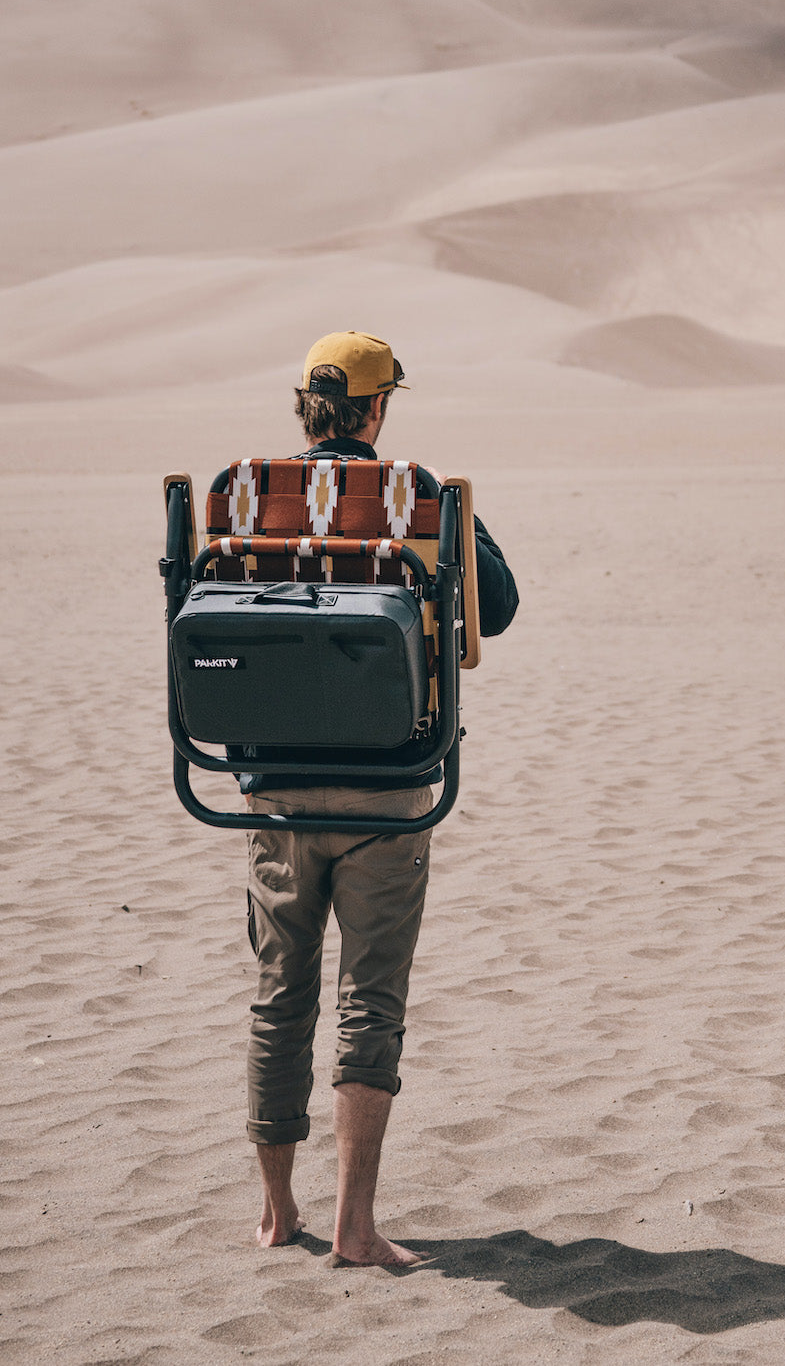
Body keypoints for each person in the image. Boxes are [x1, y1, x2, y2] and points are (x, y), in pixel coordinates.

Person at [240, 331, 519, 1266]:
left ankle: (279, 1212)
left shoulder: (246, 491)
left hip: (275, 787)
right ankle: (354, 1225)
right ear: (376, 410)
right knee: (372, 1000)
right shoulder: (416, 492)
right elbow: (500, 603)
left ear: (305, 406)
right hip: (387, 787)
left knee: (280, 998)